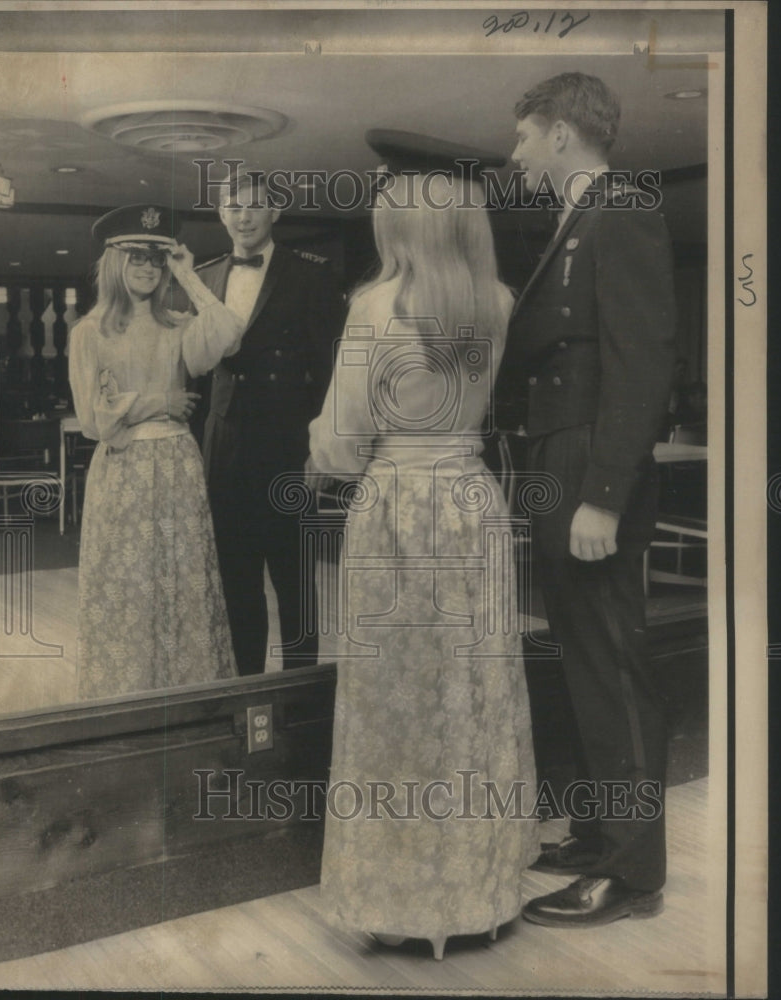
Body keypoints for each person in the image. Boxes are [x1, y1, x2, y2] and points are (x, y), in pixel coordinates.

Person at [309, 131, 540, 960]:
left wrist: (318, 455)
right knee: (470, 696)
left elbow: (340, 440)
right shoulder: (498, 302)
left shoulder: (373, 307)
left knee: (393, 705)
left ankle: (398, 895)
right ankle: (477, 888)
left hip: (400, 510)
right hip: (471, 507)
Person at [494, 72, 676, 926]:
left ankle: (630, 873)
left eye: (523, 136)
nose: (516, 152)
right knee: (582, 658)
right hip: (558, 460)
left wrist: (602, 498)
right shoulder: (578, 218)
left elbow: (641, 369)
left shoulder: (623, 210)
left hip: (588, 474)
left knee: (610, 666)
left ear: (560, 133)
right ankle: (601, 829)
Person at [68, 203, 244, 699]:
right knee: (127, 584)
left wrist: (189, 277)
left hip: (177, 466)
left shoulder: (180, 324)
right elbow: (92, 418)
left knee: (181, 581)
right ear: (114, 264)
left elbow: (228, 337)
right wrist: (155, 401)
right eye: (136, 257)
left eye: (156, 258)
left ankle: (186, 697)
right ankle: (127, 699)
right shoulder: (90, 332)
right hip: (123, 469)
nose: (147, 268)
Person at [196, 169, 344, 674]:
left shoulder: (311, 274)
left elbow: (332, 368)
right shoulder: (205, 276)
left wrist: (321, 449)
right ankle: (248, 703)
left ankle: (301, 703)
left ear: (275, 211)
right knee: (236, 582)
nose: (243, 215)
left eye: (255, 205)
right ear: (221, 213)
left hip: (287, 447)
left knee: (295, 580)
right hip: (225, 446)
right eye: (233, 205)